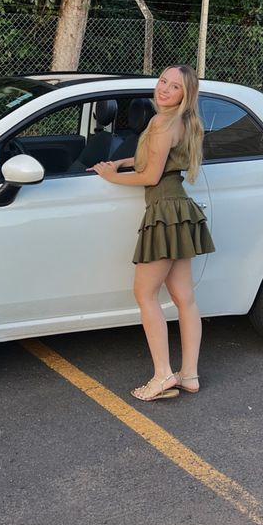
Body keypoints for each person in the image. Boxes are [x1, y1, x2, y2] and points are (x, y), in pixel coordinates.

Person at [91, 66, 215, 402]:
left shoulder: (162, 124)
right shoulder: (182, 122)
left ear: (184, 95)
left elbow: (150, 176)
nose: (164, 89)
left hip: (163, 210)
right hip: (179, 209)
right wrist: (122, 162)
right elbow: (156, 158)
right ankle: (189, 375)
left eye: (174, 87)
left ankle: (162, 375)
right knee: (184, 298)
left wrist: (110, 175)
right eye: (163, 81)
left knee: (145, 294)